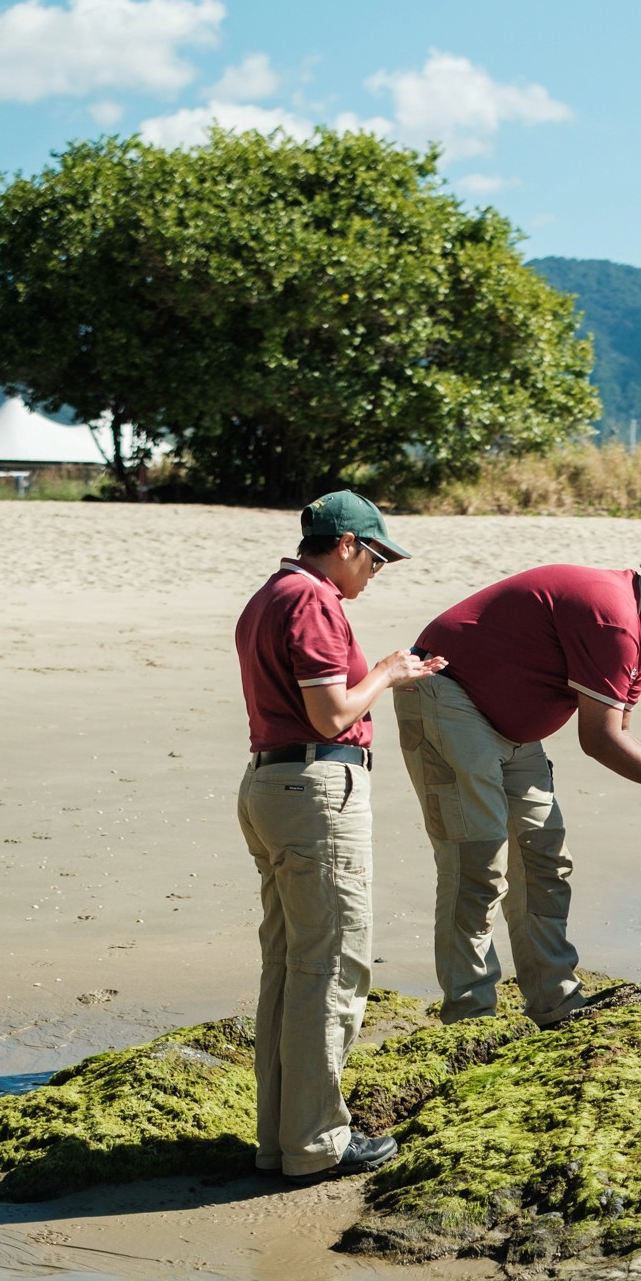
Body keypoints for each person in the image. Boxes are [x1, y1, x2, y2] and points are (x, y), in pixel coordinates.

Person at [396, 548, 641, 1028]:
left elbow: (619, 729)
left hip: (512, 727)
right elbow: (599, 740)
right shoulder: (615, 621)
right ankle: (470, 1015)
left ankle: (554, 1003)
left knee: (544, 859)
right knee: (478, 861)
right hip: (445, 691)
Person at [233, 489, 443, 1183]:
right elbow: (330, 715)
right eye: (376, 556)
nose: (377, 571)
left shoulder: (271, 592)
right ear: (347, 544)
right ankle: (317, 1141)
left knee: (288, 964)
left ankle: (282, 1139)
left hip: (271, 782)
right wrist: (388, 670)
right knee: (332, 965)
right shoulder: (313, 600)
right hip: (314, 786)